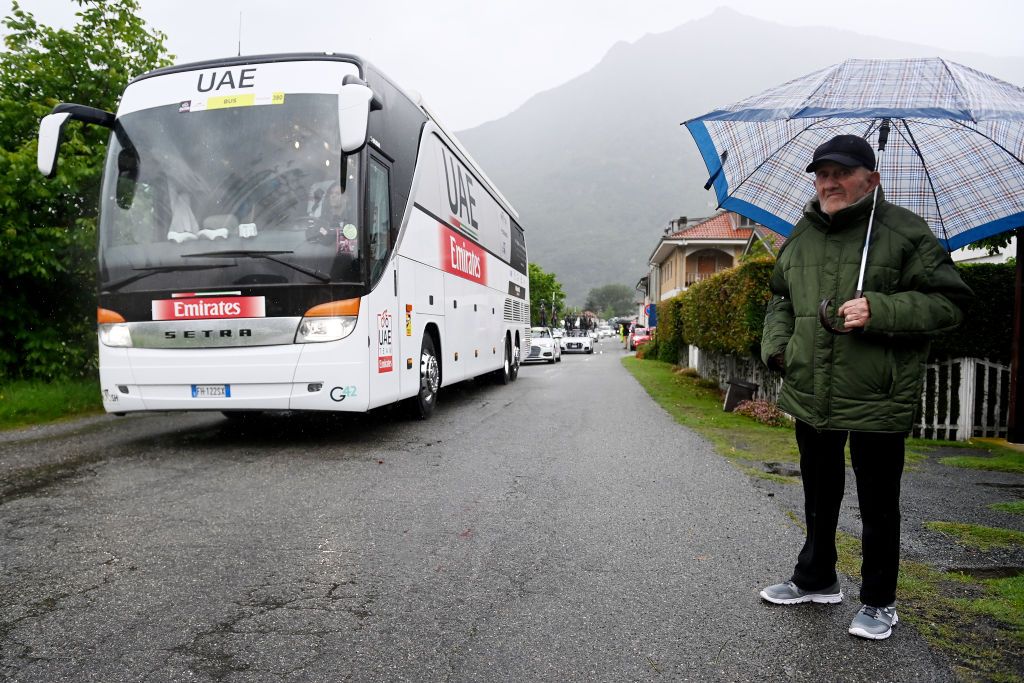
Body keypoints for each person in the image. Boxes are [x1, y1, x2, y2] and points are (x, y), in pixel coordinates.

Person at [759, 134, 973, 640]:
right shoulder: (802, 235)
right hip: (812, 390)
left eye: (841, 173)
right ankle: (815, 579)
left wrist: (881, 309)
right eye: (821, 173)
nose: (828, 182)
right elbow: (780, 301)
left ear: (871, 179)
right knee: (818, 491)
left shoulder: (905, 232)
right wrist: (778, 349)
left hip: (878, 393)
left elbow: (950, 304)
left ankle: (879, 601)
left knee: (878, 504)